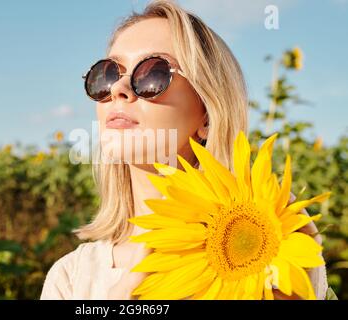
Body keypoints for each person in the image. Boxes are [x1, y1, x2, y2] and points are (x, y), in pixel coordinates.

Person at [40, 0, 329, 300]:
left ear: (207, 113)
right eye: (109, 73)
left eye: (152, 74)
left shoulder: (273, 251)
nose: (117, 89)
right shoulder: (72, 278)